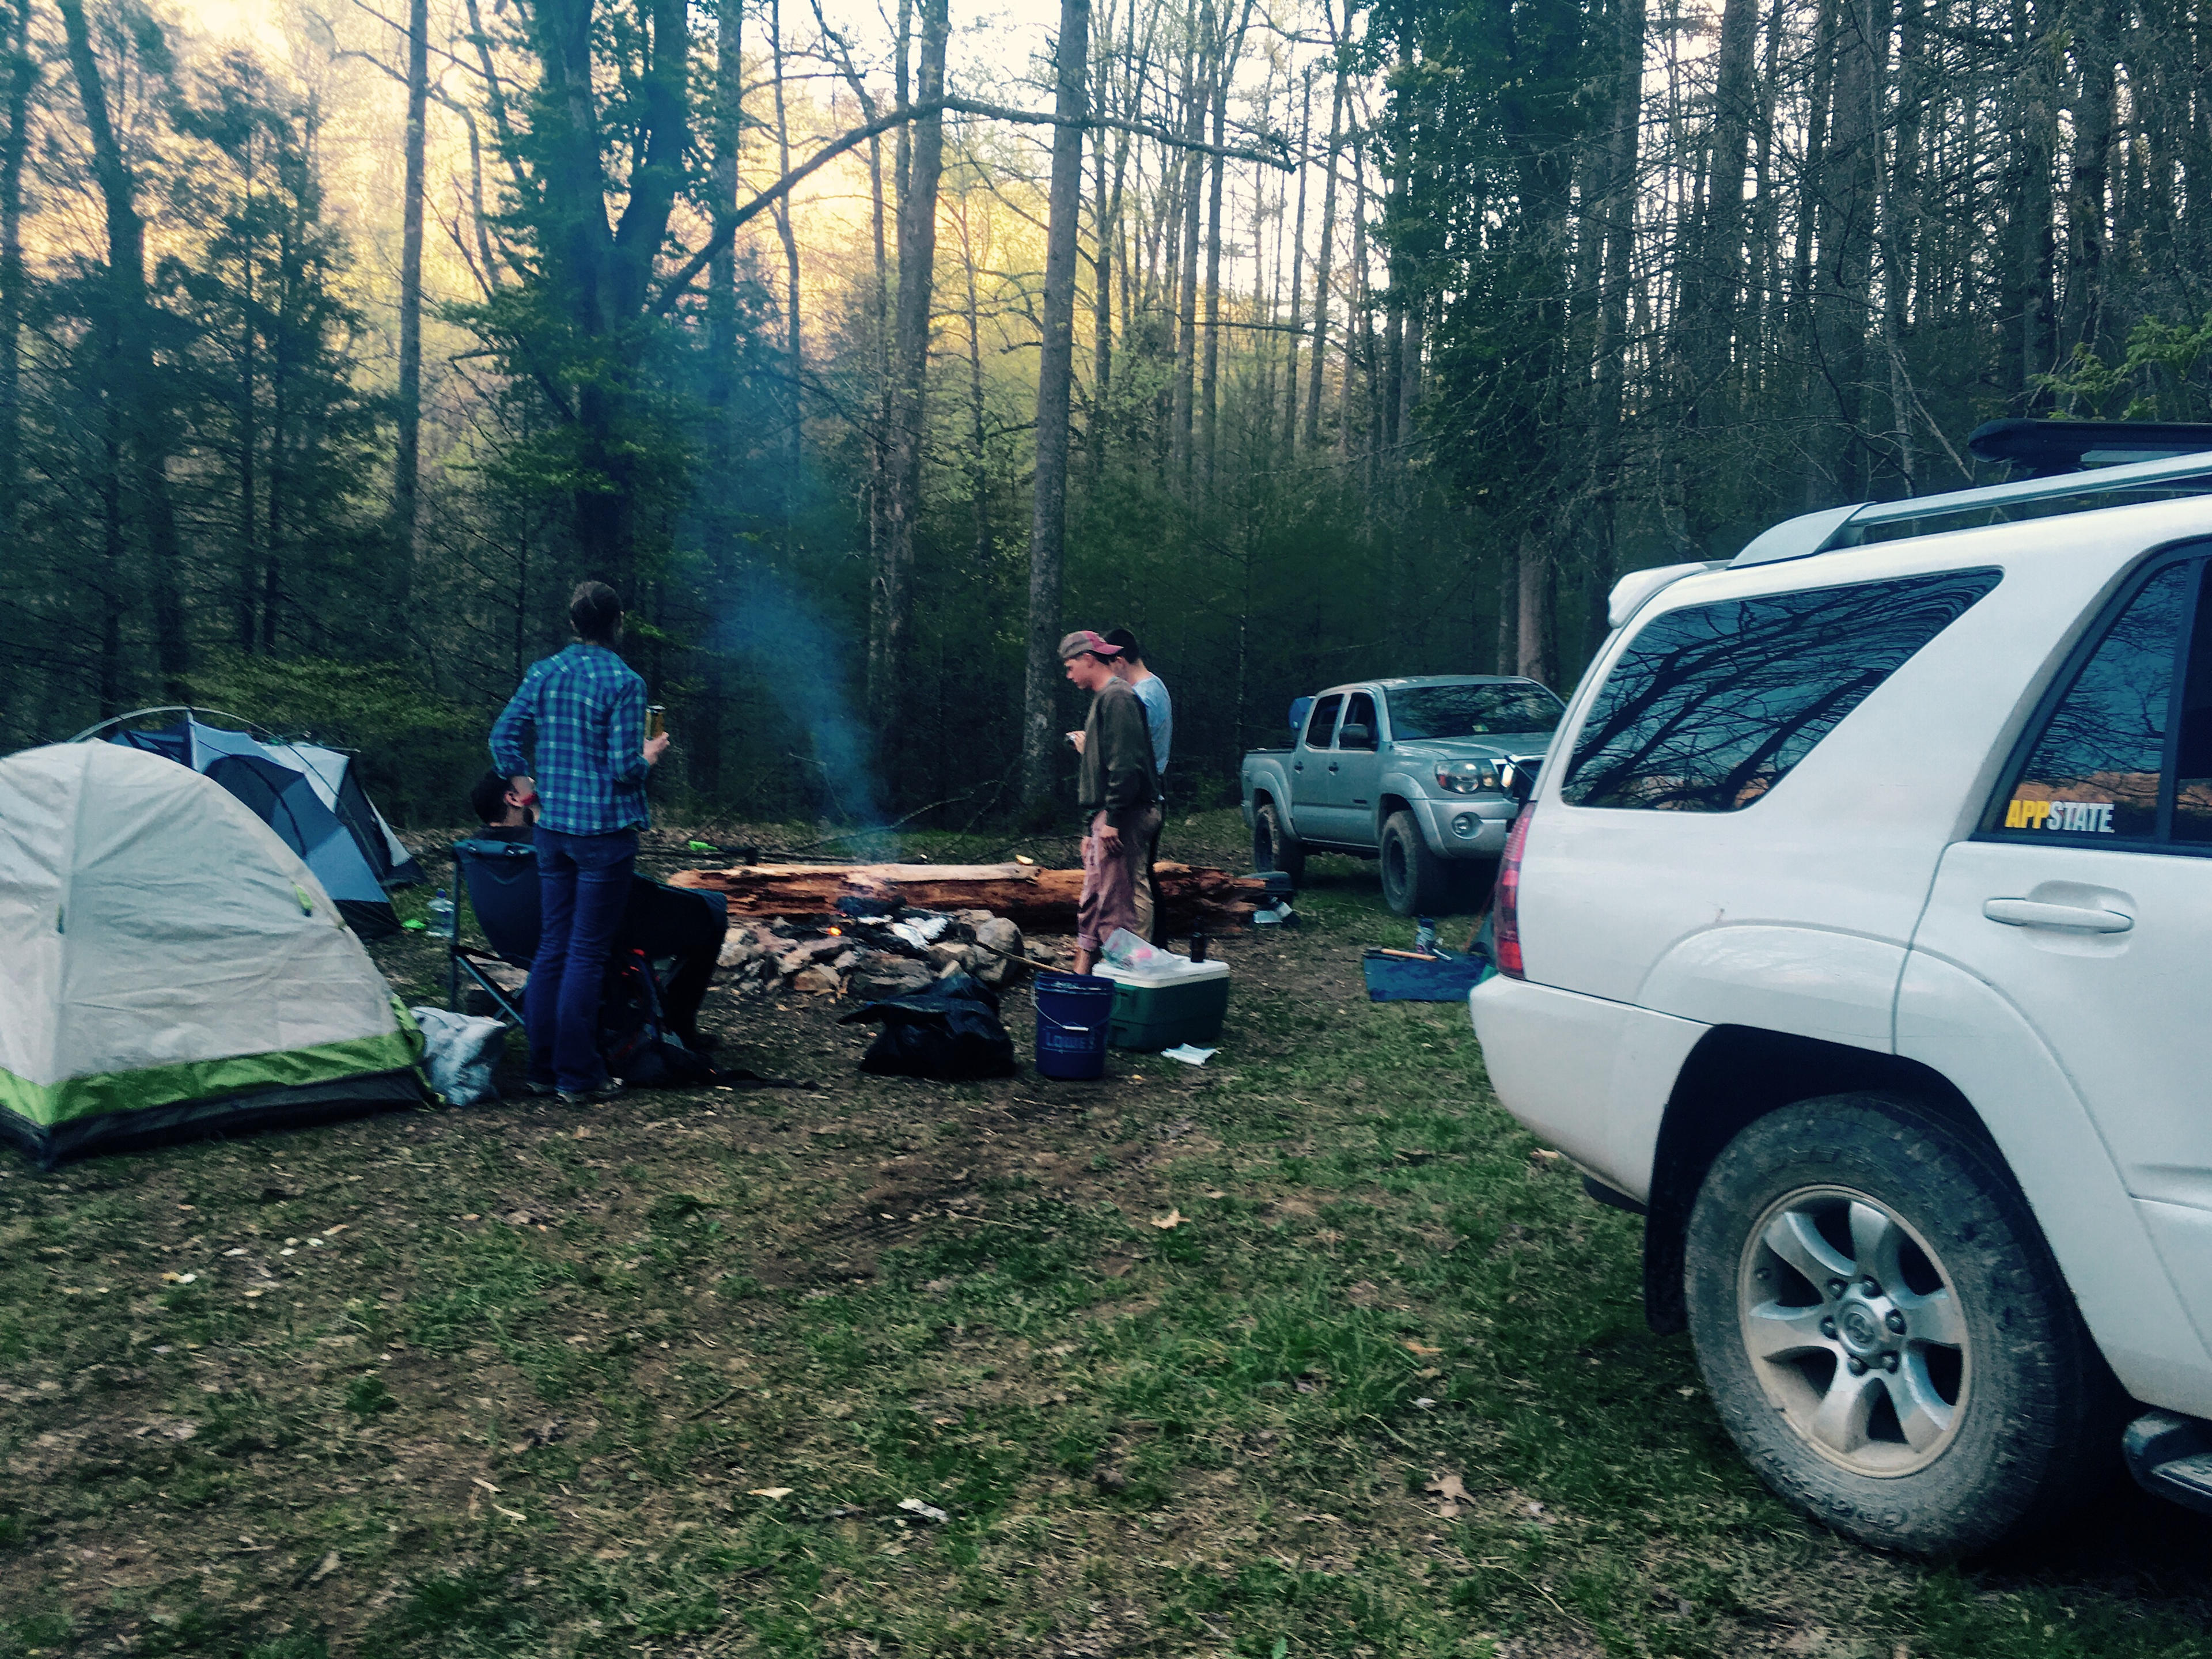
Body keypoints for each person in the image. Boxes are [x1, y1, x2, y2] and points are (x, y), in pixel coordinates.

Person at [490, 581, 671, 1104]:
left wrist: (527, 795)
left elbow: (503, 738)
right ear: (617, 623)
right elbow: (623, 770)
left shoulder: (544, 672)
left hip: (553, 832)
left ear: (574, 623)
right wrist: (651, 755)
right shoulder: (624, 681)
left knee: (553, 947)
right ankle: (577, 1075)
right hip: (604, 836)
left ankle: (543, 1068)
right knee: (587, 953)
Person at [466, 771, 726, 1053]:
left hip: (514, 945)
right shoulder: (549, 845)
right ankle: (678, 1027)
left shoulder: (477, 848)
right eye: (529, 782)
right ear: (513, 798)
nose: (536, 783)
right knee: (711, 915)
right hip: (580, 941)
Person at [1060, 630, 1161, 975]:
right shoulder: (1105, 698)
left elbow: (1126, 765)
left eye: (1071, 666)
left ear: (1089, 659)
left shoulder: (1118, 697)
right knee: (1094, 900)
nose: (1069, 674)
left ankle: (1130, 990)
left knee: (1115, 909)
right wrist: (1093, 824)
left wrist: (1114, 819)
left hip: (1126, 815)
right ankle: (1082, 979)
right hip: (1107, 816)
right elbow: (1100, 773)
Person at [1103, 627, 1171, 940]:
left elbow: (1131, 754)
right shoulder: (1153, 689)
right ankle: (1156, 947)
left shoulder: (1143, 696)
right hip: (1149, 791)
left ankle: (1148, 952)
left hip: (1142, 796)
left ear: (1119, 660)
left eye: (1108, 662)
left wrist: (1091, 748)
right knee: (1143, 876)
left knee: (1137, 881)